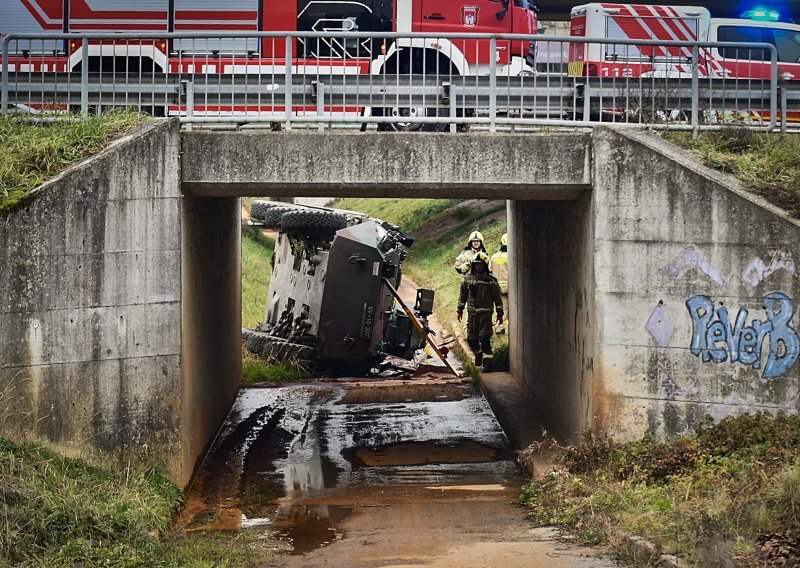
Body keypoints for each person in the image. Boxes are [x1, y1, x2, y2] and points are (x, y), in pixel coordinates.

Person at [457, 252, 504, 371]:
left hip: (486, 314)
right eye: (476, 264)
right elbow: (462, 296)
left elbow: (497, 298)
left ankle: (488, 363)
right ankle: (478, 354)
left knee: (484, 338)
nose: (478, 267)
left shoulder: (491, 281)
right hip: (472, 315)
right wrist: (459, 310)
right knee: (471, 339)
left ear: (485, 265)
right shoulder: (467, 280)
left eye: (480, 264)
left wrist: (500, 313)